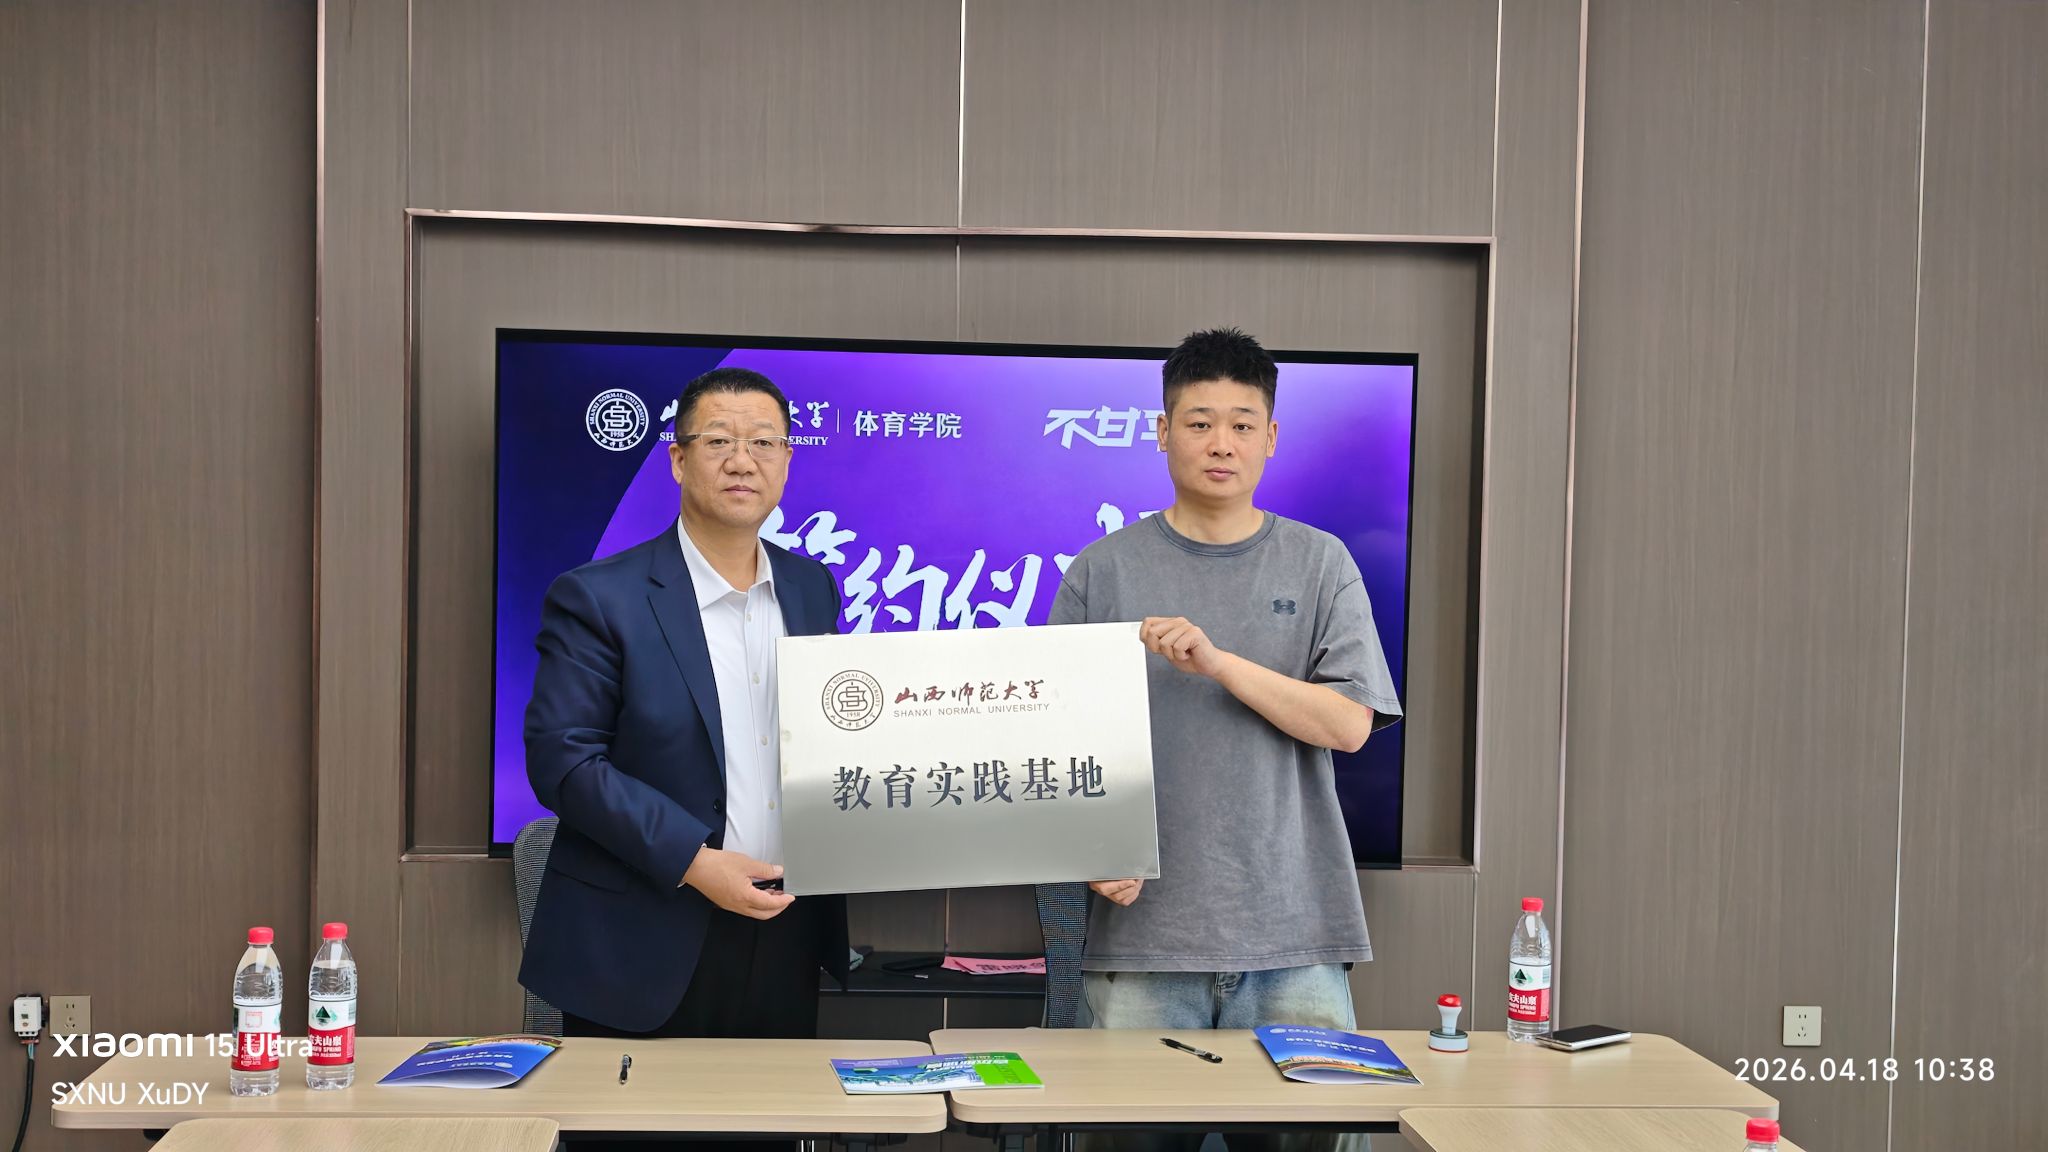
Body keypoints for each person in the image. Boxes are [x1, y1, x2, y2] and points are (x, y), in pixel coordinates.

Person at [1038, 327, 1403, 1152]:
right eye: (1199, 422)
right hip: (1141, 945)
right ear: (1162, 431)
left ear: (1271, 437)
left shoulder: (1320, 563)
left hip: (1295, 940)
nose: (1221, 443)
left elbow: (1350, 725)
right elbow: (1053, 750)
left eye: (1242, 424)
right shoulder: (1102, 570)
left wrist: (1219, 662)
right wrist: (1089, 847)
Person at [519, 367, 848, 1051]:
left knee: (773, 1111)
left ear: (787, 461)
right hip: (644, 933)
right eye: (719, 440)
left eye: (764, 443)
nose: (742, 461)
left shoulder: (811, 586)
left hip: (785, 922)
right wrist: (696, 862)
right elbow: (564, 762)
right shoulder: (598, 597)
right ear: (677, 460)